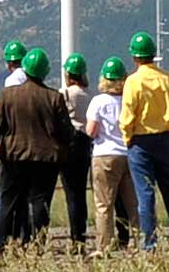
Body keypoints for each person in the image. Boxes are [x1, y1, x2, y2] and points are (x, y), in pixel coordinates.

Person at [0, 48, 72, 256]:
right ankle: (36, 245)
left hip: (13, 157)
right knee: (40, 203)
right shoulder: (54, 97)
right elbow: (66, 131)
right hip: (45, 159)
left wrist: (5, 142)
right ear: (45, 71)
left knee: (7, 202)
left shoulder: (8, 95)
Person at [120, 31, 169, 254]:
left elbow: (128, 114)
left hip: (140, 142)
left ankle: (149, 245)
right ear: (154, 54)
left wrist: (128, 137)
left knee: (145, 195)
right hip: (164, 140)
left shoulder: (133, 81)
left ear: (134, 57)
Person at [87, 57, 138, 255]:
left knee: (104, 204)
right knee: (132, 203)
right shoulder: (129, 100)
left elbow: (91, 130)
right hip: (128, 153)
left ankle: (103, 246)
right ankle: (137, 242)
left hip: (104, 155)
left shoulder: (98, 102)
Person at [0, 39, 30, 246]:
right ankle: (22, 235)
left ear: (9, 62)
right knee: (24, 196)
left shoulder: (11, 83)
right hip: (31, 148)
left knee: (4, 194)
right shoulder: (32, 80)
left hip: (12, 147)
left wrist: (0, 141)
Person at [56, 53, 94, 251]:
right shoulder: (91, 95)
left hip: (68, 144)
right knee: (80, 194)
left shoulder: (64, 94)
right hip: (86, 144)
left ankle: (74, 237)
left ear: (68, 74)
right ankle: (80, 236)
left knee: (71, 194)